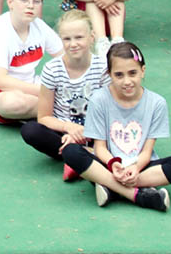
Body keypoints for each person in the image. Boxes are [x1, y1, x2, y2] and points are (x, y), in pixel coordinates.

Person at [61, 42, 171, 212]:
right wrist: (113, 164)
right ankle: (139, 195)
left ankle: (111, 188)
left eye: (133, 73)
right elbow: (99, 147)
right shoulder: (99, 99)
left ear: (143, 71)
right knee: (70, 152)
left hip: (141, 166)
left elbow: (147, 151)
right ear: (109, 75)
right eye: (118, 75)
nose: (127, 81)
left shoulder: (157, 103)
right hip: (108, 165)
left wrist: (136, 168)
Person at [20, 11, 107, 179]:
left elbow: (112, 113)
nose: (73, 44)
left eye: (79, 37)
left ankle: (80, 157)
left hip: (97, 133)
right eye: (67, 39)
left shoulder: (104, 67)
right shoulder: (52, 69)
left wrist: (86, 132)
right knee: (30, 130)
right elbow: (44, 117)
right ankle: (84, 156)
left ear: (92, 37)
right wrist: (70, 129)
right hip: (65, 134)